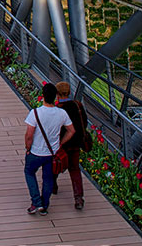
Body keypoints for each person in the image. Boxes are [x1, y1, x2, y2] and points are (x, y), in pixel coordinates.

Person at [23, 83, 75, 215]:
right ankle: (44, 205)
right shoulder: (61, 113)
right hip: (52, 152)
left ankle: (36, 202)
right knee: (48, 179)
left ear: (43, 96)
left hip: (35, 151)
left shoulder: (35, 113)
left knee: (29, 173)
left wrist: (28, 148)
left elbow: (29, 135)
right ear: (56, 97)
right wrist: (60, 143)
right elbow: (71, 131)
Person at [55, 81, 89, 210]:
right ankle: (78, 198)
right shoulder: (78, 105)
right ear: (69, 92)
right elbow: (84, 123)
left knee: (56, 165)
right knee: (74, 169)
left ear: (57, 94)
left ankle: (53, 186)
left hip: (62, 144)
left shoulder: (58, 109)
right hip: (76, 143)